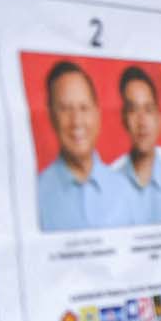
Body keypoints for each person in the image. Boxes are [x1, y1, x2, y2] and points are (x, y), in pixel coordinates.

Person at [35, 59, 122, 232]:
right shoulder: (34, 196)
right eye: (65, 109)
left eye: (84, 108)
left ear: (97, 114)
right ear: (52, 116)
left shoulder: (125, 190)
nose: (76, 121)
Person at [109, 66, 161, 225]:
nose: (142, 122)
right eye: (133, 110)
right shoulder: (109, 185)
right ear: (124, 119)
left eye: (148, 110)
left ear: (159, 119)